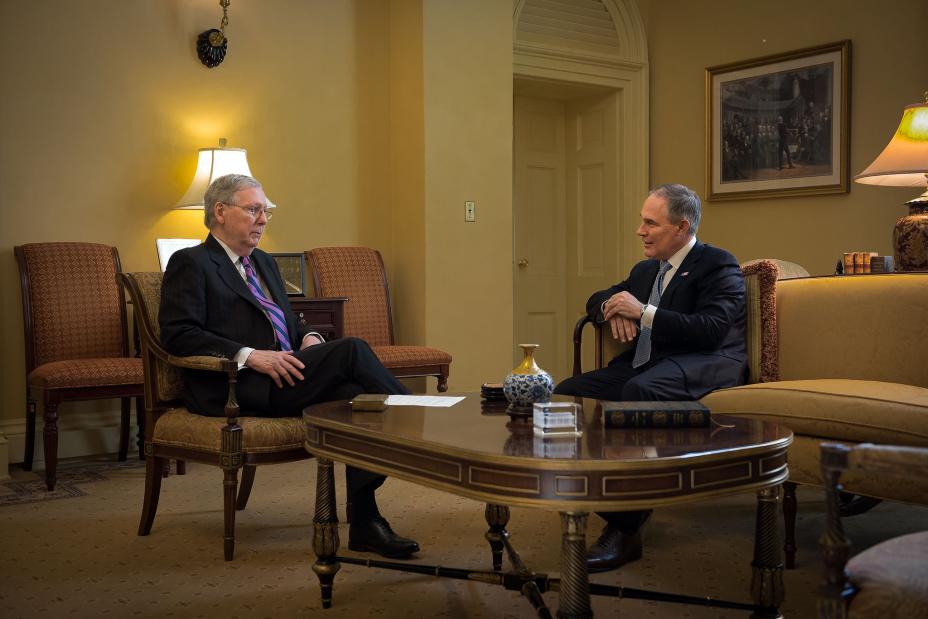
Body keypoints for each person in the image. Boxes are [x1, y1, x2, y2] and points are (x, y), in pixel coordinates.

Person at [159, 173, 419, 559]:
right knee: (351, 350)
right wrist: (248, 355)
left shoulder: (263, 262)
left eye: (266, 211)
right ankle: (423, 424)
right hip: (235, 385)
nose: (263, 219)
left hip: (286, 375)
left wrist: (309, 337)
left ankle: (365, 522)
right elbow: (178, 334)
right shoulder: (192, 262)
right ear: (220, 211)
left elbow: (289, 320)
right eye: (254, 210)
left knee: (358, 400)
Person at [555, 183, 747, 572]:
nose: (639, 231)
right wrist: (613, 308)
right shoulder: (645, 270)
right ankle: (583, 491)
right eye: (642, 222)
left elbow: (711, 329)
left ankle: (625, 528)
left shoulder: (718, 264)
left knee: (639, 390)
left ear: (682, 226)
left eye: (650, 223)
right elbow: (597, 298)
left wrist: (642, 313)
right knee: (567, 392)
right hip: (649, 362)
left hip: (704, 360)